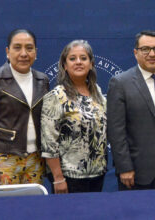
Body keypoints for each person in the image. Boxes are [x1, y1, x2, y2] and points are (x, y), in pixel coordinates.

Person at [0, 29, 49, 185]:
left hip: (36, 160)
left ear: (36, 52)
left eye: (29, 48)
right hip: (4, 160)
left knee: (33, 208)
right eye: (17, 47)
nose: (23, 53)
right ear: (8, 52)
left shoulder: (42, 80)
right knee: (6, 208)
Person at [107, 30, 155, 190]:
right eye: (145, 49)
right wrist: (124, 167)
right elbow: (115, 131)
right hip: (136, 169)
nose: (152, 54)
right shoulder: (120, 83)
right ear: (135, 53)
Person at [41, 40, 107, 193]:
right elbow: (49, 143)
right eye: (72, 58)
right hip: (69, 178)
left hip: (98, 174)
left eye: (83, 58)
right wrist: (58, 178)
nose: (78, 62)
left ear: (91, 64)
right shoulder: (56, 96)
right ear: (64, 65)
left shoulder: (97, 92)